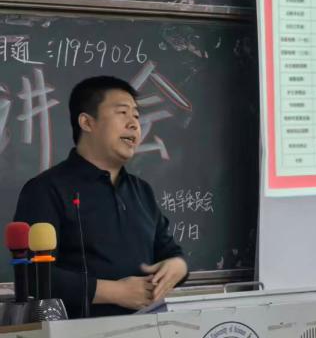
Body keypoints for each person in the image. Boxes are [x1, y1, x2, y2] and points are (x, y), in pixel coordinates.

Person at [13, 76, 188, 318]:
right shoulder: (46, 189)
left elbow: (170, 252)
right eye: (122, 113)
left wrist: (178, 266)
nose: (134, 124)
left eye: (136, 116)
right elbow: (33, 275)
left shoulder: (142, 191)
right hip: (77, 334)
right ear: (87, 122)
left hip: (148, 331)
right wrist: (114, 292)